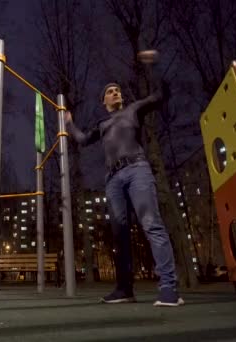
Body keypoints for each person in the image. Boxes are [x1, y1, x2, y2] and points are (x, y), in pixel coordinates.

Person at [64, 50, 184, 307]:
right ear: (103, 100)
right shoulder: (103, 124)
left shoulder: (133, 110)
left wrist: (154, 65)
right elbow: (83, 140)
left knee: (151, 223)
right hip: (112, 179)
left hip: (137, 170)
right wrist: (69, 123)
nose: (116, 92)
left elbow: (160, 95)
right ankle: (124, 289)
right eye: (111, 91)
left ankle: (169, 289)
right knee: (119, 235)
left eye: (118, 90)